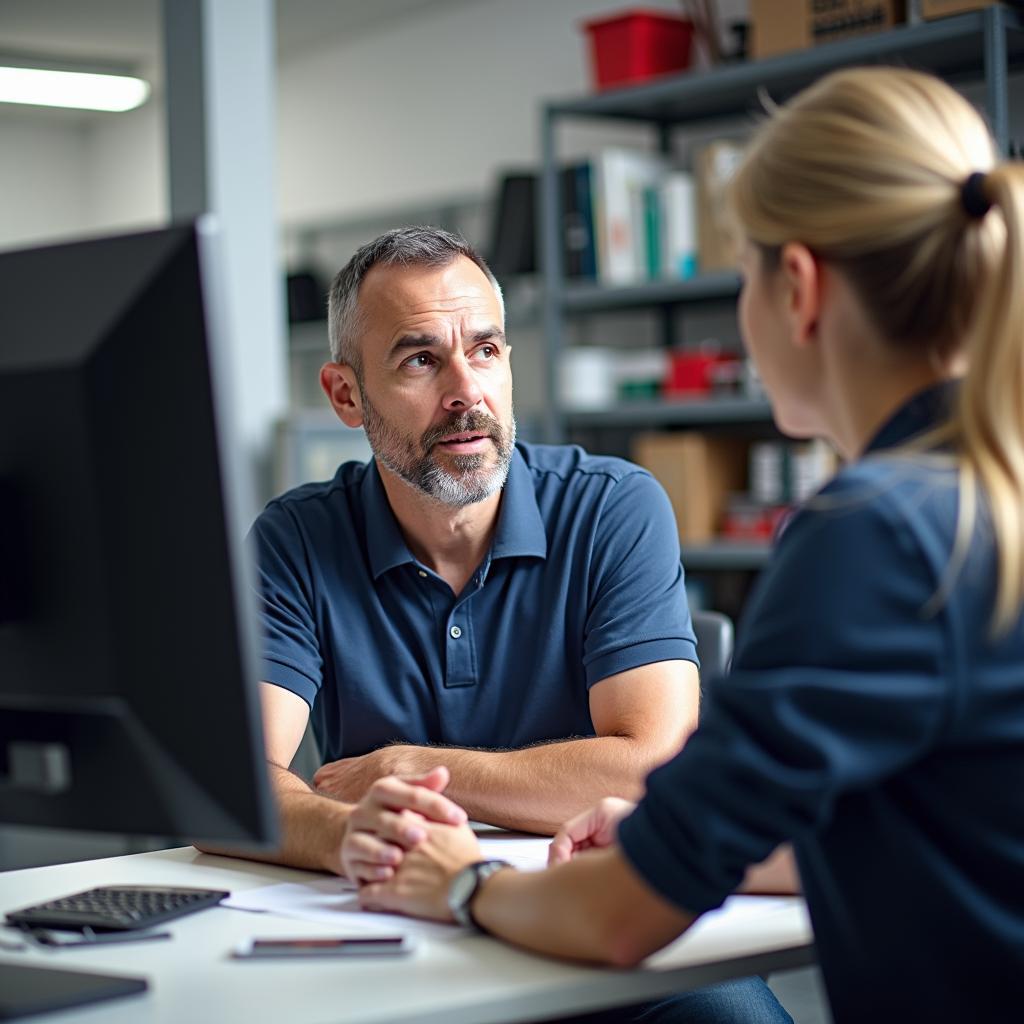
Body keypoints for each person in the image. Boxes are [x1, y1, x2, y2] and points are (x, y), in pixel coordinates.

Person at [348, 67, 1024, 1024]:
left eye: (744, 274)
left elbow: (622, 921)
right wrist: (694, 835)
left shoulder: (874, 536)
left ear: (798, 288)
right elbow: (943, 820)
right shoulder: (983, 494)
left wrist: (463, 884)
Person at [229, 226, 792, 1022]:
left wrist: (407, 767)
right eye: (421, 360)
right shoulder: (297, 538)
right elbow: (235, 782)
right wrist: (342, 832)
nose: (468, 392)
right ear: (345, 394)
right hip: (408, 937)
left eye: (486, 350)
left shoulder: (613, 508)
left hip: (608, 925)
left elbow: (651, 767)